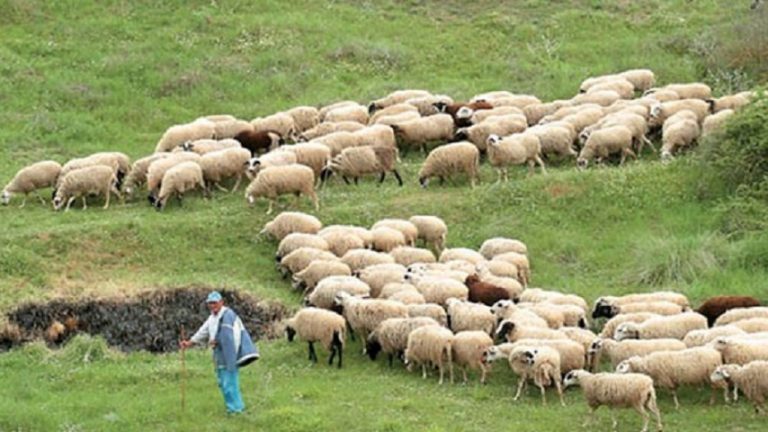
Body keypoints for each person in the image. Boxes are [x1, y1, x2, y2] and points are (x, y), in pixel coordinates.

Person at [179, 291, 259, 414]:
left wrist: (219, 342)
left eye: (215, 303)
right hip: (219, 355)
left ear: (221, 302)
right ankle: (232, 407)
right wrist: (189, 342)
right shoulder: (212, 317)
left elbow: (232, 337)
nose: (212, 305)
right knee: (223, 383)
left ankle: (236, 409)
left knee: (229, 383)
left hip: (229, 355)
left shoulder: (228, 315)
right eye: (210, 303)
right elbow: (203, 331)